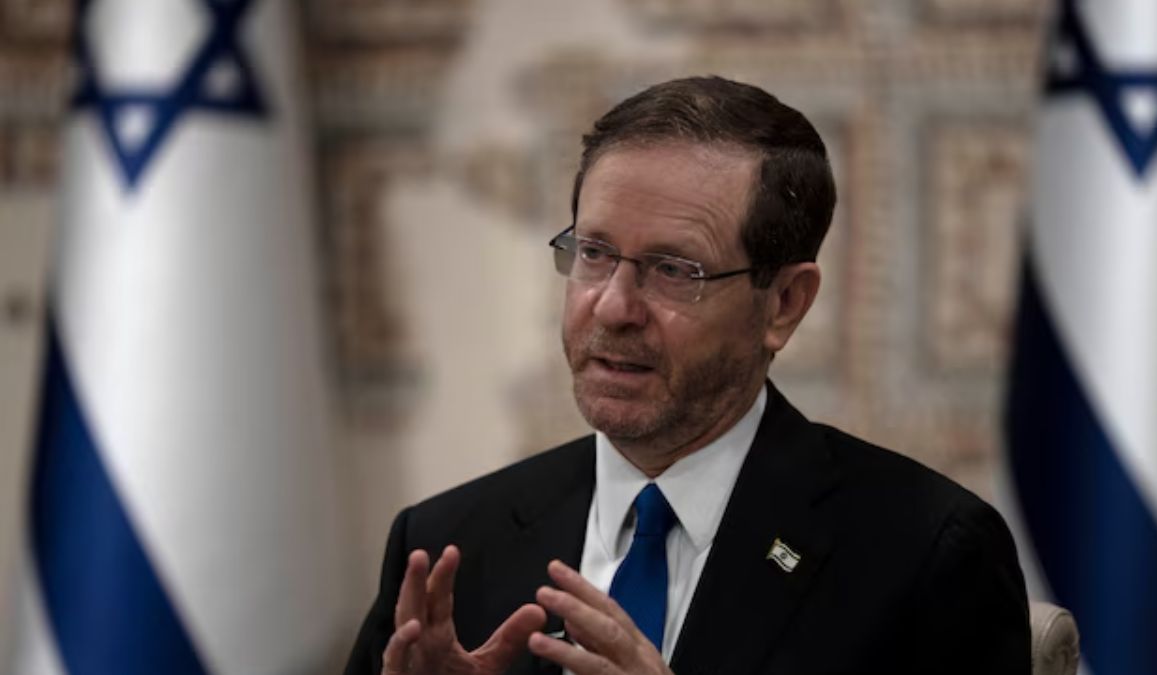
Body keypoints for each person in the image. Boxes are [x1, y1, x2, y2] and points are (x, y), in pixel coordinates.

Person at [345, 75, 1031, 675]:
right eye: (593, 252)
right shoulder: (447, 546)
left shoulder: (925, 556)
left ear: (784, 303)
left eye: (675, 269)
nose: (612, 306)